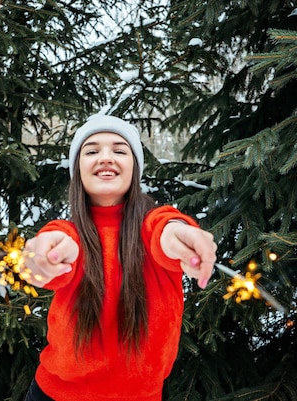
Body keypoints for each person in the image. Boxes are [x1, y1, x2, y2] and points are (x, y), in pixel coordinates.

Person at [22, 115, 217, 401]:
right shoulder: (67, 235)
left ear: (134, 169)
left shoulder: (155, 229)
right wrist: (46, 256)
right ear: (78, 169)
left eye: (119, 150)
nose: (105, 158)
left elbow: (165, 231)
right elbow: (59, 248)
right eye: (91, 151)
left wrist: (181, 234)